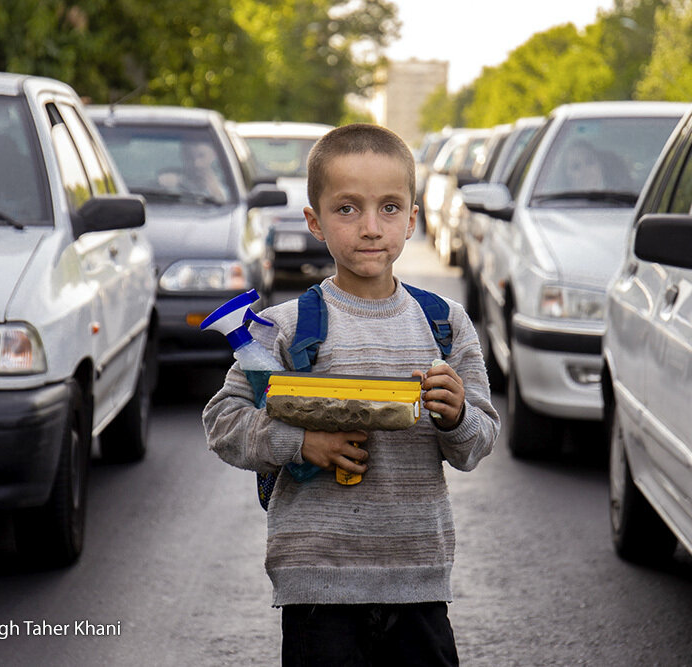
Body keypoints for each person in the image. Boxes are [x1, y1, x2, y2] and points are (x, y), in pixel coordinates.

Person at [203, 123, 500, 666]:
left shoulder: (444, 323)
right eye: (347, 209)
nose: (370, 227)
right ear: (314, 221)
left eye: (389, 208)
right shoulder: (285, 328)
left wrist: (457, 415)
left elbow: (476, 444)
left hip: (417, 581)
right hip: (317, 588)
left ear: (412, 219)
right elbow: (223, 420)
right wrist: (302, 443)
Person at [157, 140, 228, 201]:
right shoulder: (171, 183)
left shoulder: (229, 184)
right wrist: (164, 186)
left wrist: (215, 190)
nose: (196, 163)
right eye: (189, 157)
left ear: (214, 155)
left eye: (201, 156)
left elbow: (225, 206)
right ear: (183, 156)